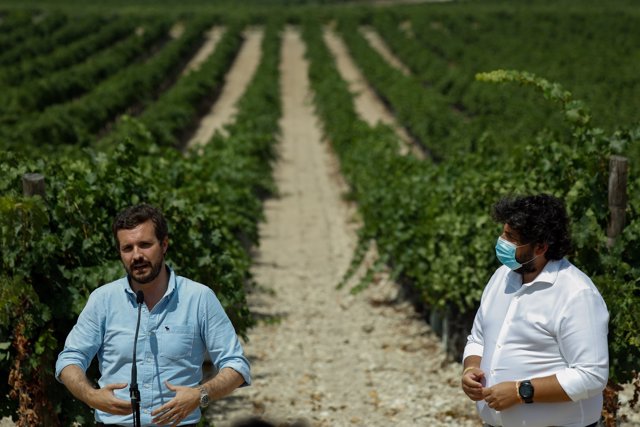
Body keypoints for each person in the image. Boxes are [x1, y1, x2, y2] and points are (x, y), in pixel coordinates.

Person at [55, 203, 251, 426]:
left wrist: (200, 395)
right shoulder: (103, 300)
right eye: (127, 248)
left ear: (164, 244)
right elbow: (69, 359)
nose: (136, 255)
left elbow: (236, 365)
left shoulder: (199, 298)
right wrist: (92, 397)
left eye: (145, 245)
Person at [461, 194, 609, 427]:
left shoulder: (576, 294)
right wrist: (471, 367)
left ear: (540, 247)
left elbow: (591, 375)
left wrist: (521, 391)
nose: (502, 242)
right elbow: (478, 339)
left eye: (511, 238)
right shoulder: (501, 277)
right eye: (503, 233)